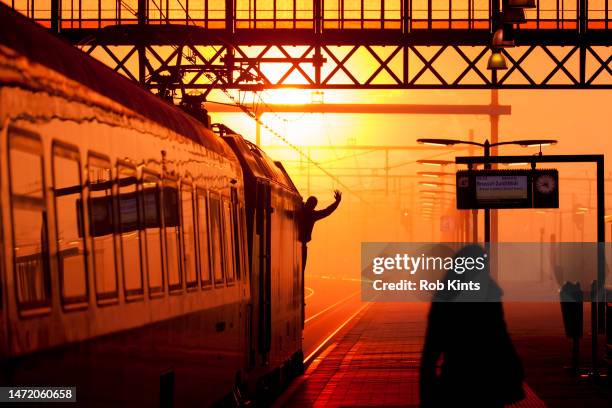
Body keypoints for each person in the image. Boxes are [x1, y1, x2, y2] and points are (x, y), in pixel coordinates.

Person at [419, 244, 525, 408]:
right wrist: (513, 368)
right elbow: (500, 336)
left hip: (455, 379)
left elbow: (431, 347)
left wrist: (426, 390)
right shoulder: (489, 294)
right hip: (488, 381)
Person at [299, 190, 342, 272]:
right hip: (303, 245)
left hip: (300, 244)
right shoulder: (313, 215)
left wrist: (337, 202)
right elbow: (327, 211)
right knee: (301, 270)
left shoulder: (300, 211)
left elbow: (327, 211)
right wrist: (337, 202)